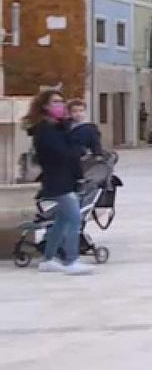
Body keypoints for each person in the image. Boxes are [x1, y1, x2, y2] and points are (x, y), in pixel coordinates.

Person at [23, 91, 93, 276]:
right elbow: (59, 153)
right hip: (57, 179)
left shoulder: (59, 127)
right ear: (45, 105)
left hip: (65, 178)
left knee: (62, 220)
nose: (60, 105)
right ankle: (71, 259)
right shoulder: (45, 130)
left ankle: (48, 259)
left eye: (62, 101)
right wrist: (77, 149)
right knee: (74, 217)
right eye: (55, 102)